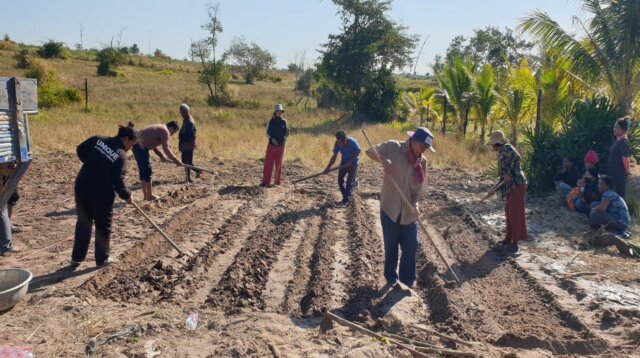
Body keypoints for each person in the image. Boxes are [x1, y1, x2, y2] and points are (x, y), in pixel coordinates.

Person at [365, 127, 434, 288]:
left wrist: (414, 204)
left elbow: (419, 190)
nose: (424, 151)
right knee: (391, 246)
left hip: (408, 213)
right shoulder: (393, 147)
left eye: (426, 148)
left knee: (411, 246)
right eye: (423, 146)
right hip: (390, 207)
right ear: (414, 141)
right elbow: (369, 151)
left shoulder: (422, 162)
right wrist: (384, 160)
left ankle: (407, 282)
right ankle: (391, 280)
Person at [71, 123, 138, 267]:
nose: (131, 148)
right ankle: (102, 260)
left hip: (82, 185)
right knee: (103, 226)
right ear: (126, 138)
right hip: (102, 193)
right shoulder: (120, 155)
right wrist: (127, 195)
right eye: (132, 144)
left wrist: (92, 164)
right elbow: (118, 181)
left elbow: (80, 150)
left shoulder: (97, 139)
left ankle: (77, 258)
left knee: (83, 222)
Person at [486, 130, 528, 252]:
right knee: (508, 211)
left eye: (492, 144)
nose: (491, 146)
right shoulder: (501, 152)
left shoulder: (507, 148)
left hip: (518, 184)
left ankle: (515, 242)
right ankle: (508, 238)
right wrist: (494, 189)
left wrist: (510, 173)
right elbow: (503, 176)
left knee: (514, 212)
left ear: (496, 143)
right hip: (511, 186)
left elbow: (518, 158)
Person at [132, 121, 182, 200]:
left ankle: (146, 196)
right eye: (173, 132)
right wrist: (176, 160)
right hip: (140, 148)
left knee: (143, 171)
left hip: (136, 146)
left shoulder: (160, 128)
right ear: (171, 128)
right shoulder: (165, 131)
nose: (171, 135)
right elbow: (166, 149)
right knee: (147, 171)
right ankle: (149, 196)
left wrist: (161, 155)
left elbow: (153, 144)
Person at [323, 130, 361, 205]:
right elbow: (334, 157)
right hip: (344, 162)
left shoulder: (352, 142)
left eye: (343, 143)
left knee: (349, 181)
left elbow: (358, 150)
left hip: (353, 163)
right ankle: (346, 197)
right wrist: (327, 168)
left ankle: (346, 200)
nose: (341, 145)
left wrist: (350, 161)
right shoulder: (337, 143)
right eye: (339, 143)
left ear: (345, 139)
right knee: (340, 179)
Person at [261, 104, 289, 187]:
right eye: (278, 111)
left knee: (279, 164)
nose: (279, 113)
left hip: (280, 146)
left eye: (281, 111)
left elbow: (285, 134)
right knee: (268, 163)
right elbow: (267, 132)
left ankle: (277, 182)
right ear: (275, 112)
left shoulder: (284, 122)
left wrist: (287, 133)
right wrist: (271, 139)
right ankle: (266, 182)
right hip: (271, 146)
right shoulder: (271, 121)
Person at [607, 117, 632, 199]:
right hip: (613, 174)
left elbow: (626, 159)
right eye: (614, 127)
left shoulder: (623, 143)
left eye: (617, 128)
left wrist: (628, 172)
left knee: (618, 197)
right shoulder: (618, 142)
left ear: (623, 130)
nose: (614, 129)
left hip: (618, 176)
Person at [177, 103, 201, 183]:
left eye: (181, 112)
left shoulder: (189, 122)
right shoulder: (188, 119)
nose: (180, 114)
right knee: (189, 161)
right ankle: (195, 173)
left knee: (185, 162)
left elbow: (188, 136)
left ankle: (189, 178)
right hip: (189, 144)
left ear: (184, 112)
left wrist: (181, 139)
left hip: (187, 145)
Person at [572, 150, 601, 215]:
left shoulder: (598, 174)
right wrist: (581, 183)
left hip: (594, 199)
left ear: (592, 163)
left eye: (586, 162)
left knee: (590, 204)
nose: (585, 164)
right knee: (575, 199)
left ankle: (588, 212)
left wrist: (590, 180)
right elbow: (583, 186)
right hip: (586, 196)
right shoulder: (586, 172)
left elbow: (597, 190)